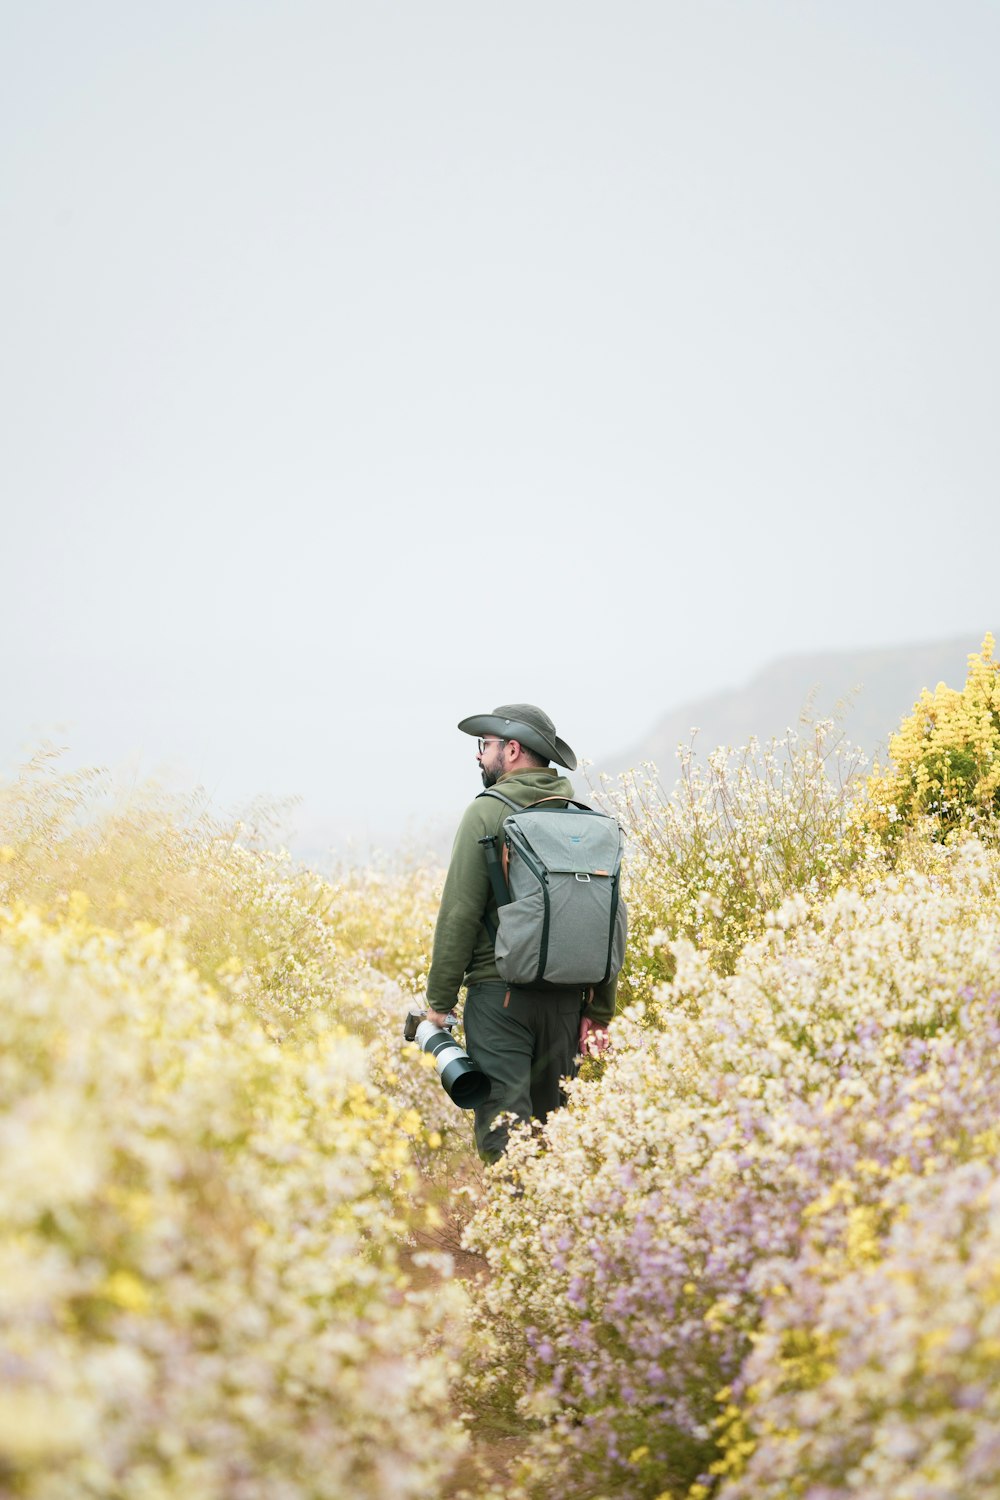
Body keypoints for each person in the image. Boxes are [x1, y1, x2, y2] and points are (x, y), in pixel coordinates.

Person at [425, 703, 616, 1164]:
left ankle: (514, 1233)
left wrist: (439, 1003)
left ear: (511, 751)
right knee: (552, 1137)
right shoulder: (586, 821)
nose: (478, 757)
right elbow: (608, 918)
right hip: (568, 1004)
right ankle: (554, 1232)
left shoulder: (487, 812)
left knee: (506, 1135)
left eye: (484, 746)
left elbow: (460, 913)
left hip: (500, 1000)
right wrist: (600, 1010)